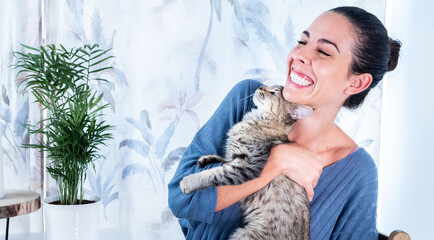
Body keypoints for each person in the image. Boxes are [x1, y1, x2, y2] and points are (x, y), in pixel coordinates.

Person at [168, 6, 401, 240]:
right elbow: (182, 197)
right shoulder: (248, 100)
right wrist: (273, 162)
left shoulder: (357, 172)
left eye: (324, 52)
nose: (298, 54)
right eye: (302, 41)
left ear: (357, 83)